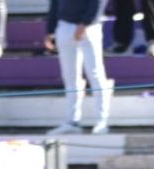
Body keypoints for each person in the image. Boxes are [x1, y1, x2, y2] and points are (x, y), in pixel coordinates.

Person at [44, 0, 112, 135]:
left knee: (95, 73)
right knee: (70, 76)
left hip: (89, 27)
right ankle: (72, 120)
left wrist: (86, 23)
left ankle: (102, 120)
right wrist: (50, 30)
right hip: (64, 25)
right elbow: (55, 3)